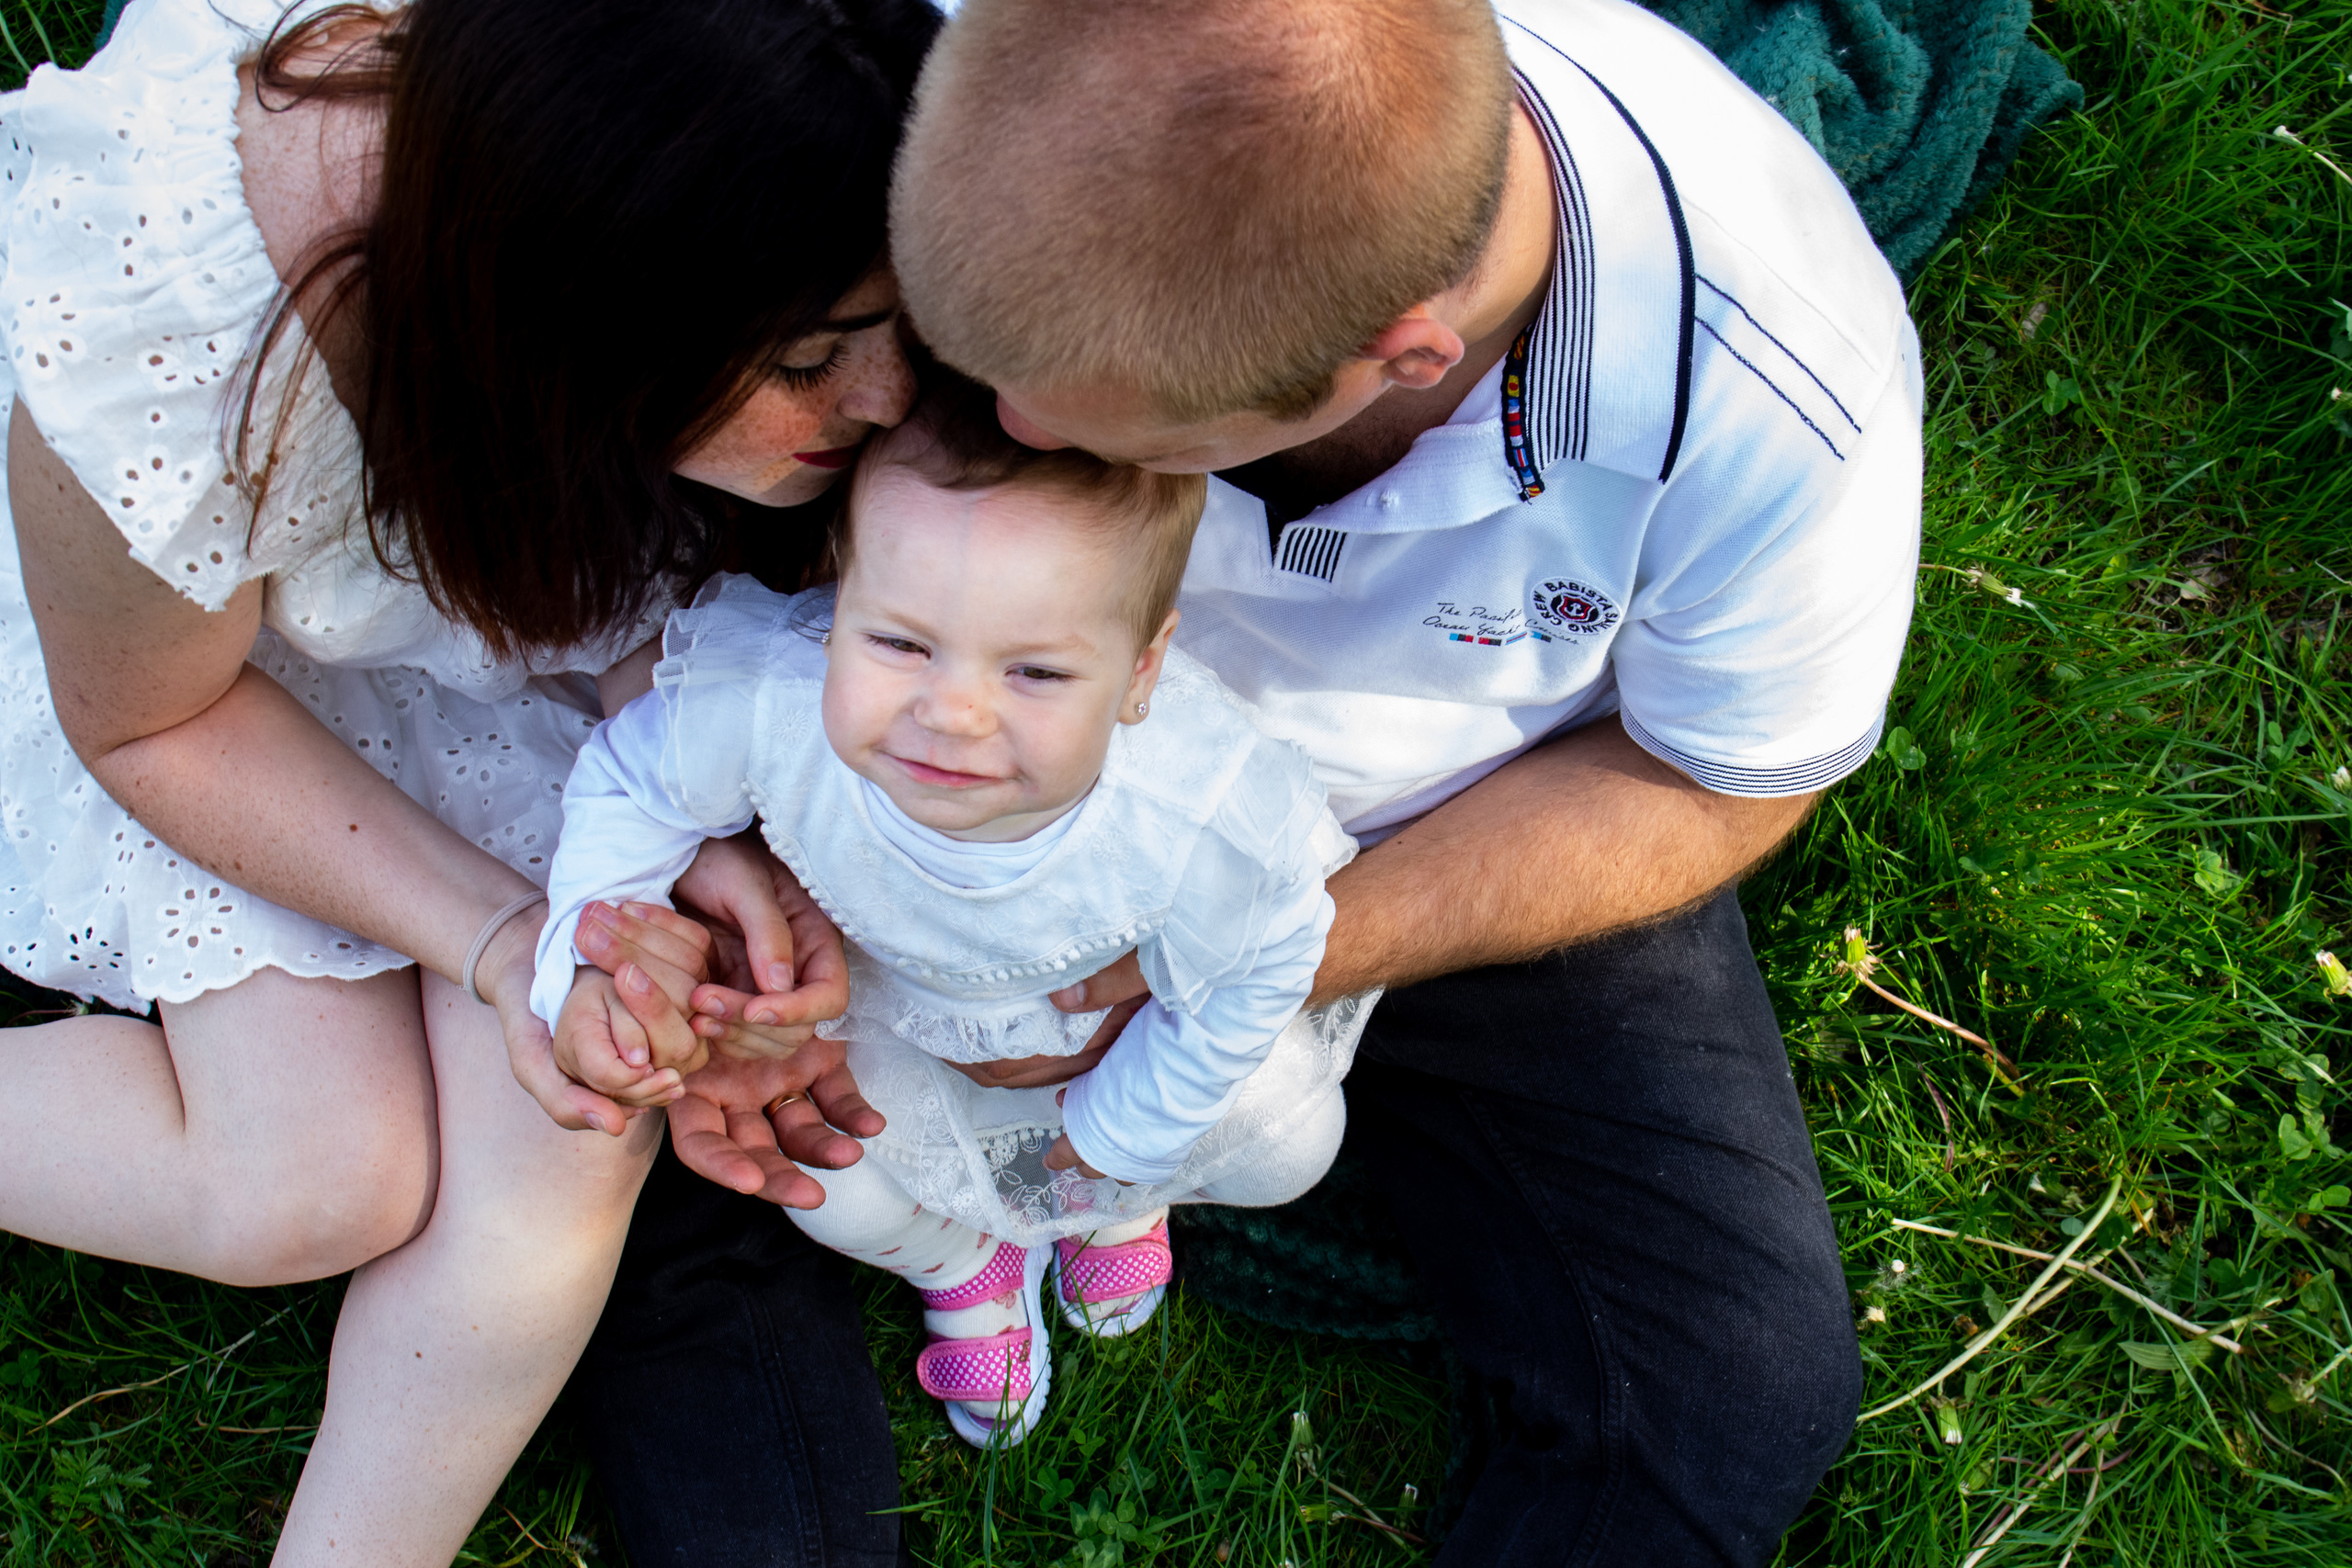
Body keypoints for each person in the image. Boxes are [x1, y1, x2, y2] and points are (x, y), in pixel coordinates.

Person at [594, 0, 1923, 1562]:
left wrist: (1267, 951)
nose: (947, 411)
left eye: (1070, 420)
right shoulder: (969, 67)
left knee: (1729, 1378)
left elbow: (1715, 781)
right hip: (899, 744)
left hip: (1413, 822)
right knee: (684, 1141)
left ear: (1396, 362)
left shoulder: (1771, 391)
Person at [0, 0, 937, 1560]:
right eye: (810, 357)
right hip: (203, 663)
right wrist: (509, 935)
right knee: (309, 1181)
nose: (892, 403)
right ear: (588, 301)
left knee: (573, 1098)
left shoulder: (770, 145)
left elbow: (635, 581)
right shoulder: (172, 326)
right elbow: (152, 719)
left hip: (481, 596)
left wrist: (678, 788)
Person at [534, 380, 1367, 1446]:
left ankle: (1113, 1204)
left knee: (1291, 1132)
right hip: (891, 1010)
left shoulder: (1194, 808)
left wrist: (1130, 1126)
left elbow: (1268, 956)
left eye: (1033, 670)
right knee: (806, 1168)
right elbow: (630, 782)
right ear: (838, 599)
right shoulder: (770, 702)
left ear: (1139, 672)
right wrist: (591, 958)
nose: (951, 711)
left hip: (1103, 1032)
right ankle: (958, 1256)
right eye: (898, 644)